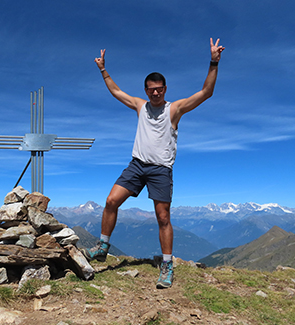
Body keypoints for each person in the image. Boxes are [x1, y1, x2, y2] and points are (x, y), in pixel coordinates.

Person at [82, 38, 225, 289]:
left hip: (160, 169)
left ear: (165, 88)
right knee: (111, 201)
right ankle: (103, 246)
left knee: (162, 217)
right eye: (151, 89)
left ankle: (167, 265)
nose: (155, 92)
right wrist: (103, 70)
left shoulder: (175, 109)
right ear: (146, 90)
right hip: (137, 165)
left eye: (159, 88)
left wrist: (214, 62)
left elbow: (206, 93)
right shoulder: (140, 106)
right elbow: (117, 92)